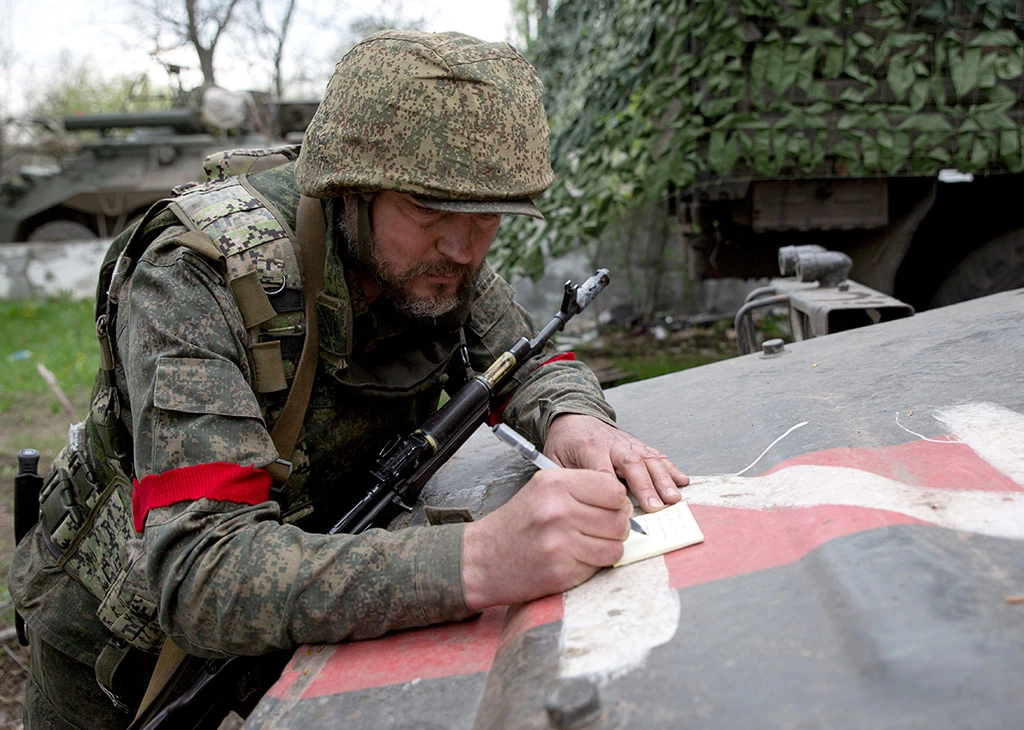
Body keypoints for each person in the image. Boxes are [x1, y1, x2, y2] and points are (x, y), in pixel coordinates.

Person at [8, 30, 688, 729]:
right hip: (120, 653)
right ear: (351, 192)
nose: (463, 248)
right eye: (430, 210)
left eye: (490, 215)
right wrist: (480, 560)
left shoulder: (435, 257)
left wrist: (575, 420)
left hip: (306, 607)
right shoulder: (195, 277)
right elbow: (202, 570)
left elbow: (524, 360)